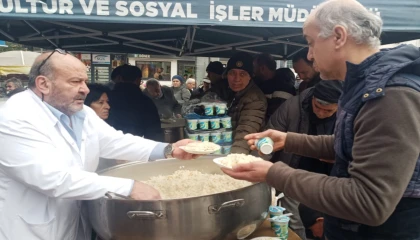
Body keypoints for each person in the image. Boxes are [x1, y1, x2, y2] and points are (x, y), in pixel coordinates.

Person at [223, 0, 420, 239]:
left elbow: (369, 201)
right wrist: (287, 140)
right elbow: (351, 145)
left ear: (338, 36)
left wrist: (272, 173)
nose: (309, 54)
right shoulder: (364, 85)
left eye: (310, 42)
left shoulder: (390, 94)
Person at [0, 50, 198, 240]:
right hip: (31, 230)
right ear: (43, 84)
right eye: (75, 82)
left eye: (84, 81)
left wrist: (168, 149)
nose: (85, 89)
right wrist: (129, 187)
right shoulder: (15, 117)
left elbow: (114, 141)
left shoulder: (80, 112)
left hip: (75, 224)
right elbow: (53, 178)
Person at [267, 80, 343, 239]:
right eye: (317, 107)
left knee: (323, 225)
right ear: (312, 99)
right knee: (294, 221)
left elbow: (350, 148)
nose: (321, 113)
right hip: (294, 171)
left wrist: (339, 159)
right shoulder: (292, 107)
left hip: (330, 179)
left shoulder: (349, 114)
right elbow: (269, 141)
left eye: (328, 111)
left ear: (339, 105)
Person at [107, 65, 163, 142]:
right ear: (138, 80)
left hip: (108, 147)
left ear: (118, 78)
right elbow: (154, 132)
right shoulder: (145, 101)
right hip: (137, 147)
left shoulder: (105, 99)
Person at [226, 52, 267, 154]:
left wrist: (234, 159)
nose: (237, 79)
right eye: (232, 73)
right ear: (226, 75)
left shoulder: (255, 99)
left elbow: (245, 133)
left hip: (247, 152)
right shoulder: (231, 91)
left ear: (250, 77)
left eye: (242, 74)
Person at [253, 53, 296, 119]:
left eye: (254, 67)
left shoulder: (283, 88)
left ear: (262, 68)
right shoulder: (260, 85)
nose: (253, 71)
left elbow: (276, 117)